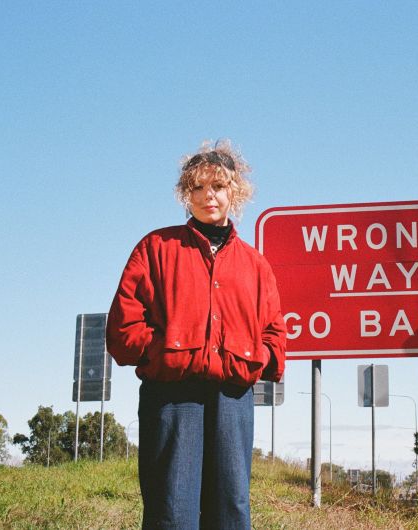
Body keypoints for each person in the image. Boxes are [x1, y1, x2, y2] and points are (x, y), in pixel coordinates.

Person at [106, 139, 286, 529]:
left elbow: (275, 336)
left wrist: (254, 360)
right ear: (185, 194)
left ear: (235, 192)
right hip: (171, 397)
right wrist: (165, 354)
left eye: (218, 186)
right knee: (171, 508)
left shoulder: (255, 265)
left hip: (232, 398)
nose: (208, 196)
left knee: (231, 508)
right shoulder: (155, 248)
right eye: (198, 187)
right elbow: (122, 330)